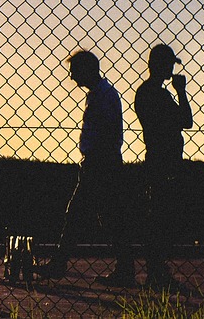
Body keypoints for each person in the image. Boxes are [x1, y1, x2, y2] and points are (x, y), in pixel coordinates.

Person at [37, 50, 135, 286]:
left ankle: (61, 263)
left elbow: (109, 133)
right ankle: (124, 268)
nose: (72, 78)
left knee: (80, 214)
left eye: (74, 72)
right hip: (101, 162)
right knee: (104, 216)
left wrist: (96, 157)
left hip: (100, 163)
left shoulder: (103, 96)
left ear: (86, 70)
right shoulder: (101, 94)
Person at [133, 43, 193, 290]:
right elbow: (185, 121)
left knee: (160, 216)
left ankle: (157, 272)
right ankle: (157, 273)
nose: (171, 68)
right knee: (159, 216)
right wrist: (181, 92)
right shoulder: (152, 93)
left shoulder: (152, 92)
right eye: (169, 64)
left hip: (163, 160)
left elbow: (182, 122)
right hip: (161, 160)